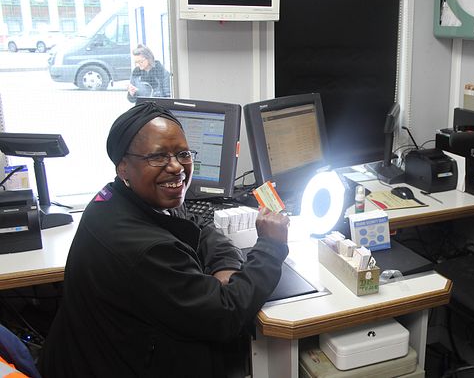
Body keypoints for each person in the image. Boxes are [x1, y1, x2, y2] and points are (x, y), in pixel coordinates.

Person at [40, 102, 289, 377]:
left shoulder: (119, 197)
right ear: (123, 166)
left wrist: (224, 267)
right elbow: (226, 315)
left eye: (183, 153)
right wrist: (271, 246)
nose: (176, 167)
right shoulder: (145, 249)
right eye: (157, 157)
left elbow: (198, 226)